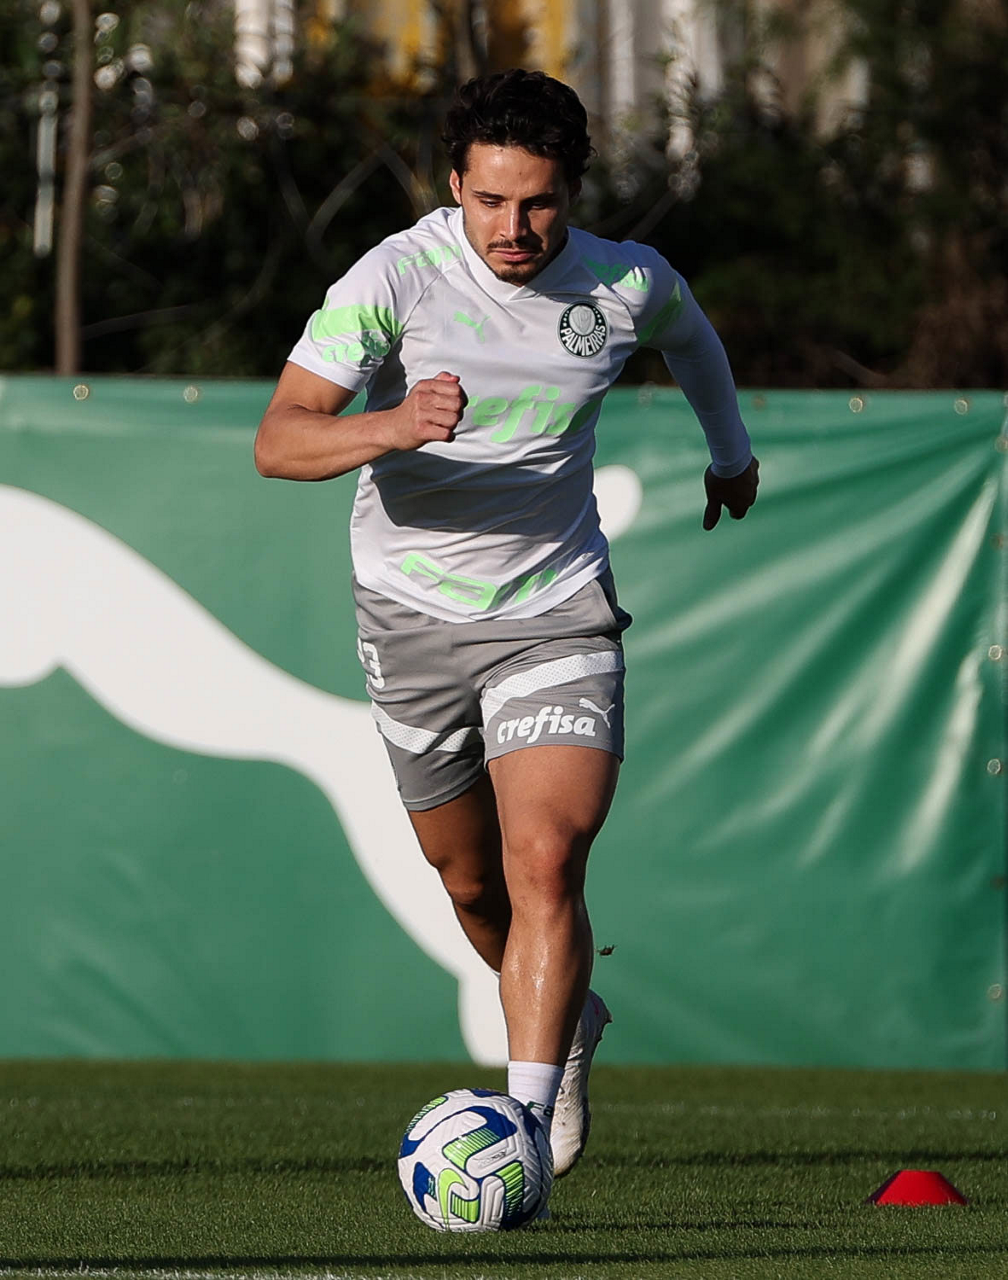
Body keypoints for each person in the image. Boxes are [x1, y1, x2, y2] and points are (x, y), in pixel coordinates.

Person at [255, 68, 758, 1189]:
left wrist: (731, 456)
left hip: (554, 607)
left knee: (548, 856)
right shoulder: (393, 277)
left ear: (572, 189)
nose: (513, 228)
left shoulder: (626, 281)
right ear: (455, 186)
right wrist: (391, 424)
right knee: (471, 883)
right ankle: (571, 1022)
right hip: (409, 613)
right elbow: (279, 439)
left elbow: (693, 340)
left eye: (537, 202)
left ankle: (523, 1123)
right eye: (489, 201)